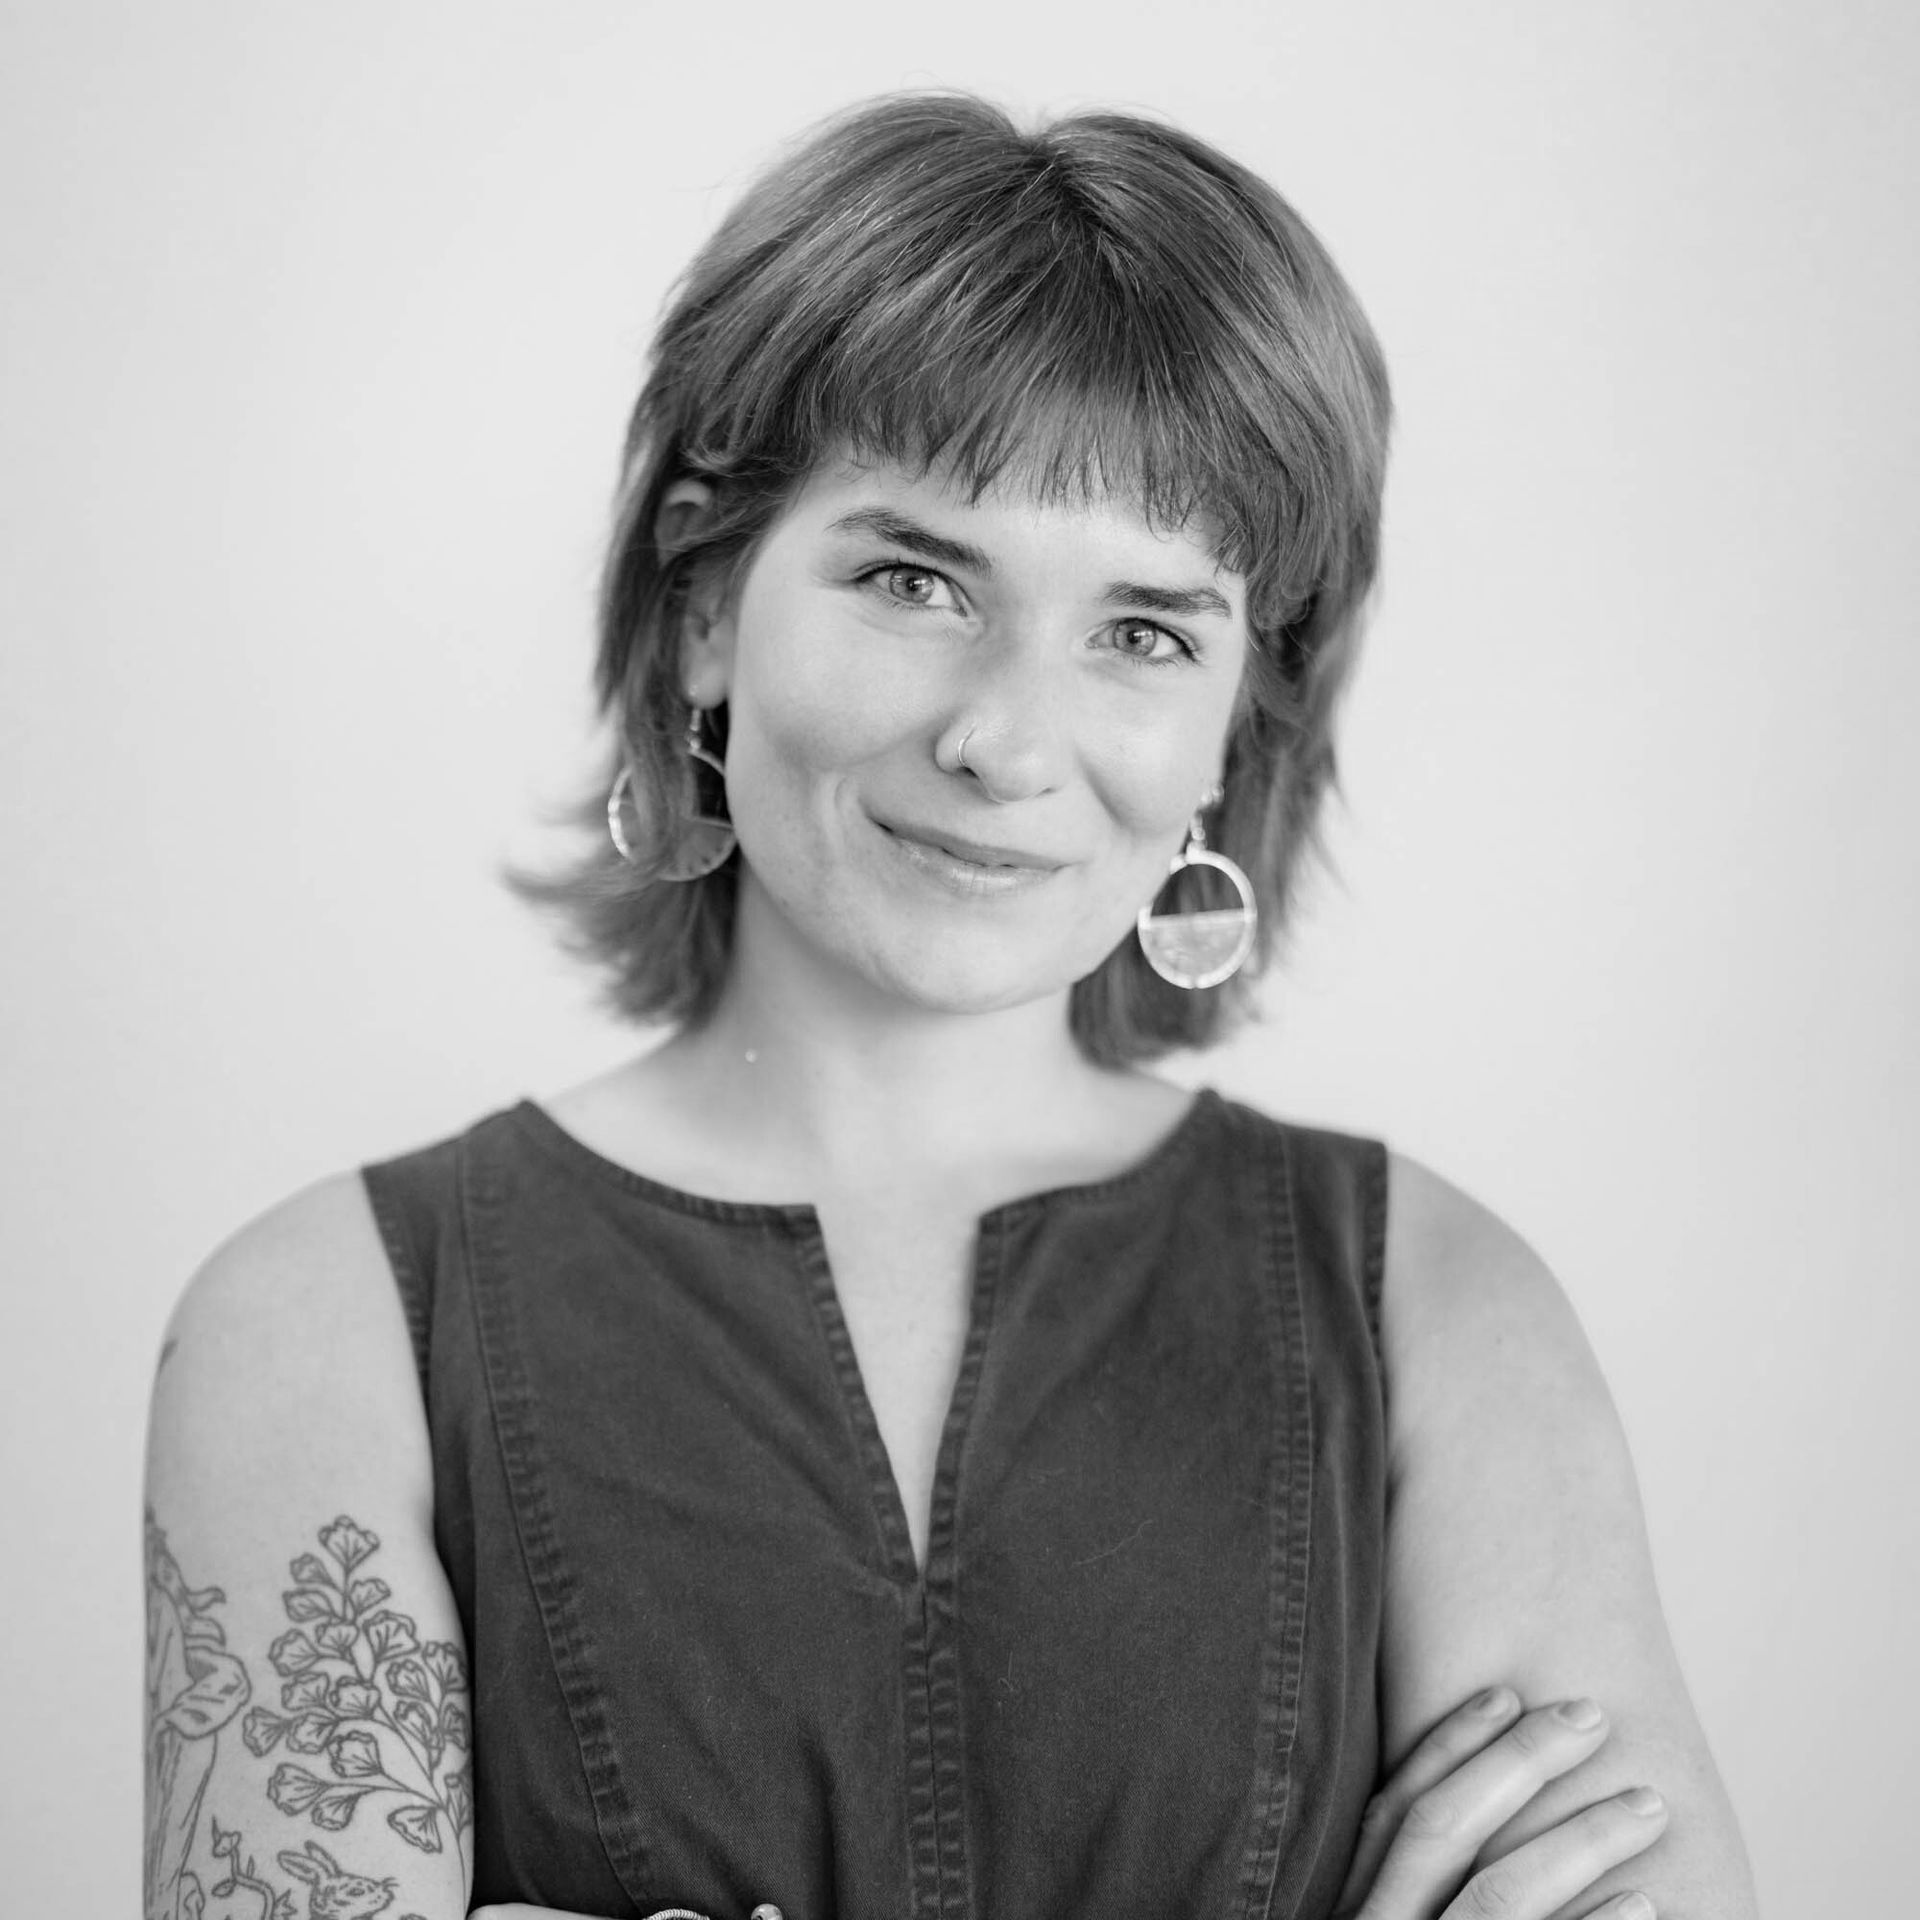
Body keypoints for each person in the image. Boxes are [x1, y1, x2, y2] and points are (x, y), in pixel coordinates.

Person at [144, 92, 1757, 1920]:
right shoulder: (316, 1327)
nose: (1003, 740)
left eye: (1144, 631)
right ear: (701, 607)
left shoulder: (1448, 1311)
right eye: (914, 580)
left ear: (1240, 718)